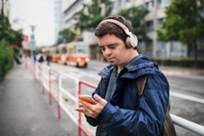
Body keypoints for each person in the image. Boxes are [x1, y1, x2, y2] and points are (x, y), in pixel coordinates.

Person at [77, 15, 173, 136]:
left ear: (130, 42)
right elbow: (98, 117)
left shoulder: (152, 76)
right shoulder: (108, 73)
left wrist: (107, 112)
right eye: (103, 48)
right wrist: (91, 112)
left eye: (112, 46)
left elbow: (151, 127)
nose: (106, 53)